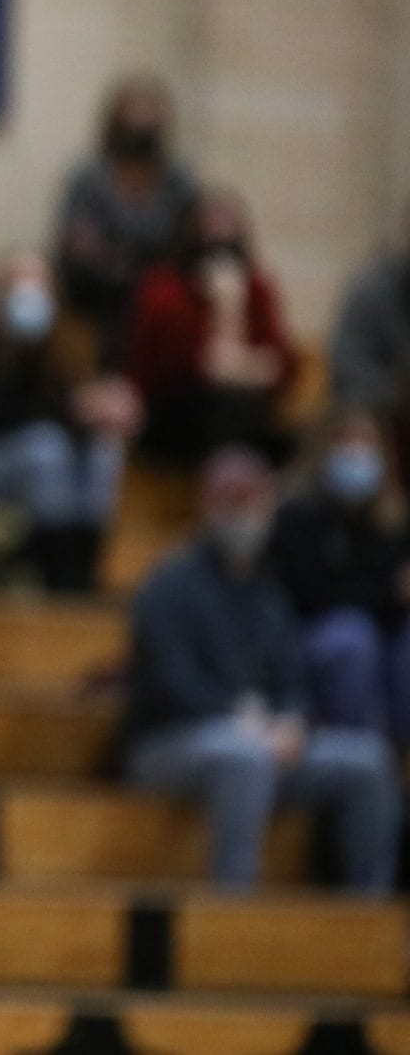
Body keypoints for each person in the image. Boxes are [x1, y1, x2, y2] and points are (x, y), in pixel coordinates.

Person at [124, 447, 400, 892]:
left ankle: (365, 916)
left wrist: (291, 721)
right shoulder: (167, 586)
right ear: (206, 505)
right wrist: (240, 721)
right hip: (169, 744)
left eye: (253, 502)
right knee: (244, 757)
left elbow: (291, 680)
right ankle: (236, 907)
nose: (244, 515)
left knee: (369, 761)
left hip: (263, 741)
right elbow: (169, 684)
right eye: (231, 501)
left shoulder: (268, 592)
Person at [0, 249, 141, 591]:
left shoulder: (57, 353)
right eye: (20, 282)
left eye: (38, 282)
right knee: (44, 448)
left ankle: (82, 573)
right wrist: (76, 411)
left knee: (103, 449)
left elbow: (66, 417)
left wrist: (103, 413)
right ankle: (53, 572)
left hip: (23, 468)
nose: (30, 292)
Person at [265, 408, 410, 741]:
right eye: (346, 443)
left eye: (366, 444)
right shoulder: (295, 517)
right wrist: (390, 593)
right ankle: (354, 752)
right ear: (322, 451)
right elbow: (311, 596)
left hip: (380, 634)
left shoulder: (394, 523)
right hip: (307, 637)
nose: (356, 455)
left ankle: (402, 757)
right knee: (351, 637)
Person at [127, 188, 297, 465]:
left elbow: (283, 366)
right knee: (231, 406)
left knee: (273, 430)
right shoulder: (163, 290)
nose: (220, 240)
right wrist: (227, 307)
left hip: (243, 413)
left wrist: (238, 367)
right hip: (173, 416)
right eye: (211, 229)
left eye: (229, 229)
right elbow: (197, 368)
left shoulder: (257, 288)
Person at [54, 73, 199, 366]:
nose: (140, 124)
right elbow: (76, 244)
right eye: (132, 113)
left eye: (149, 113)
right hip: (96, 290)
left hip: (158, 289)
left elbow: (186, 240)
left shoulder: (177, 180)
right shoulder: (90, 177)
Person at [331, 195, 410, 470]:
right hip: (382, 412)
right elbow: (348, 361)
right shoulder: (371, 291)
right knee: (357, 424)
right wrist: (393, 395)